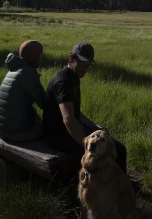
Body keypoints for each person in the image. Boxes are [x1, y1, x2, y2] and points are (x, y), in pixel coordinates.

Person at [43, 42, 127, 173]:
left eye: (88, 65)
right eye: (82, 64)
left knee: (108, 141)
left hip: (66, 132)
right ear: (71, 58)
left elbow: (76, 114)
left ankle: (114, 182)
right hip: (57, 136)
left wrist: (94, 127)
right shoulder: (63, 82)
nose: (85, 69)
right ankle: (112, 185)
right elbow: (68, 119)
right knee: (116, 149)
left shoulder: (73, 77)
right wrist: (85, 143)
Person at [0, 39, 45, 142]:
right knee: (54, 128)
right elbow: (44, 103)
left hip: (1, 130)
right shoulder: (28, 73)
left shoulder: (13, 70)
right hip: (17, 132)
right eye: (40, 54)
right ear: (34, 56)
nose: (41, 57)